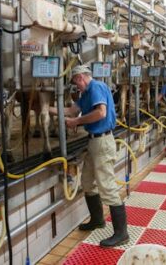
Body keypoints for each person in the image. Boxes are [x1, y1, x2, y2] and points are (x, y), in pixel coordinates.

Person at [49, 64, 129, 247]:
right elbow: (70, 111)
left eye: (76, 83)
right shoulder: (85, 94)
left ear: (81, 78)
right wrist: (46, 109)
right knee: (87, 181)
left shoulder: (97, 87)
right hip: (93, 142)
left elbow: (101, 112)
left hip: (102, 142)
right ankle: (97, 219)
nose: (76, 87)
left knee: (107, 186)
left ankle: (121, 233)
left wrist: (76, 121)